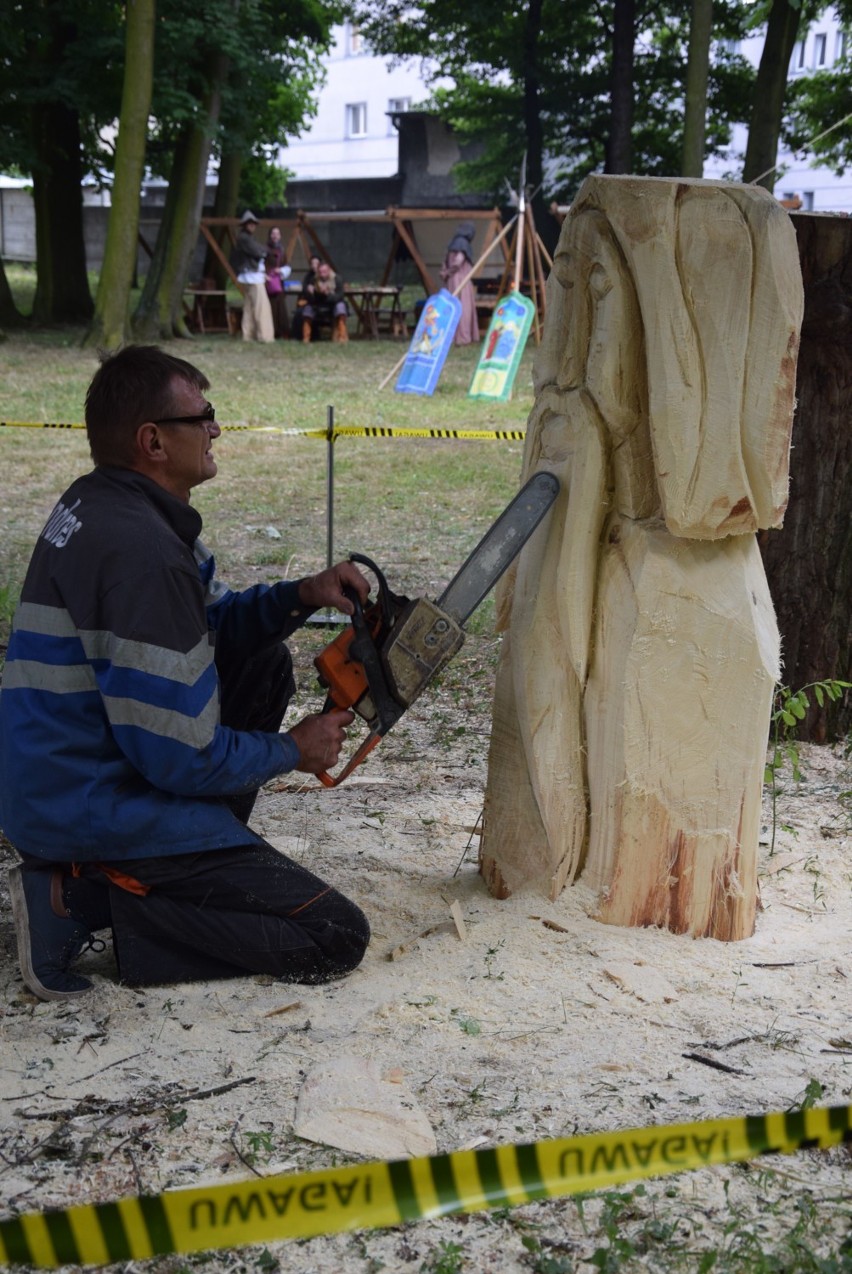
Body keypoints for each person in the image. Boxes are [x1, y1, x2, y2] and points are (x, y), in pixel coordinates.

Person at [0, 345, 372, 1002]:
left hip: (64, 775)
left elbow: (207, 628)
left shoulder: (111, 504)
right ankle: (83, 901)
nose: (216, 429)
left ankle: (184, 862)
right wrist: (294, 749)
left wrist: (301, 595)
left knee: (261, 662)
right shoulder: (142, 554)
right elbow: (184, 758)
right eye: (202, 416)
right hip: (90, 804)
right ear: (153, 441)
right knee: (334, 935)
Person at [230, 210, 274, 343]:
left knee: (249, 307)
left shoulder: (247, 238)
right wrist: (265, 250)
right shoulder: (244, 238)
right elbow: (258, 251)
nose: (252, 226)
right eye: (249, 223)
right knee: (261, 306)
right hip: (252, 276)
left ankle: (248, 335)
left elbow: (259, 249)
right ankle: (265, 336)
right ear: (245, 225)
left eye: (253, 223)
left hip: (251, 275)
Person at [440, 221, 480, 346]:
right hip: (461, 280)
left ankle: (453, 337)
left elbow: (445, 262)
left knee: (453, 307)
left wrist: (445, 273)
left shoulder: (452, 243)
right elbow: (458, 262)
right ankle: (463, 337)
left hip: (452, 281)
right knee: (463, 308)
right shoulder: (463, 244)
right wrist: (449, 272)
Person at [299, 260, 350, 343]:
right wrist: (312, 292)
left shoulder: (337, 279)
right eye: (320, 272)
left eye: (324, 272)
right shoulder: (314, 279)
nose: (322, 274)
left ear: (329, 270)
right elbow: (309, 298)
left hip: (333, 304)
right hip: (318, 304)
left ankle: (342, 337)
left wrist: (327, 294)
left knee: (341, 307)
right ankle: (306, 338)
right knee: (307, 309)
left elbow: (339, 296)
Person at [264, 226, 292, 339]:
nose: (275, 236)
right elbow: (261, 265)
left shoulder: (282, 250)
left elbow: (286, 265)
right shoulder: (264, 249)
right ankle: (271, 331)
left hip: (278, 282)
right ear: (270, 235)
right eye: (273, 233)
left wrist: (280, 270)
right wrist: (265, 274)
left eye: (277, 234)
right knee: (270, 307)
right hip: (268, 281)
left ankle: (282, 331)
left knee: (281, 307)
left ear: (280, 236)